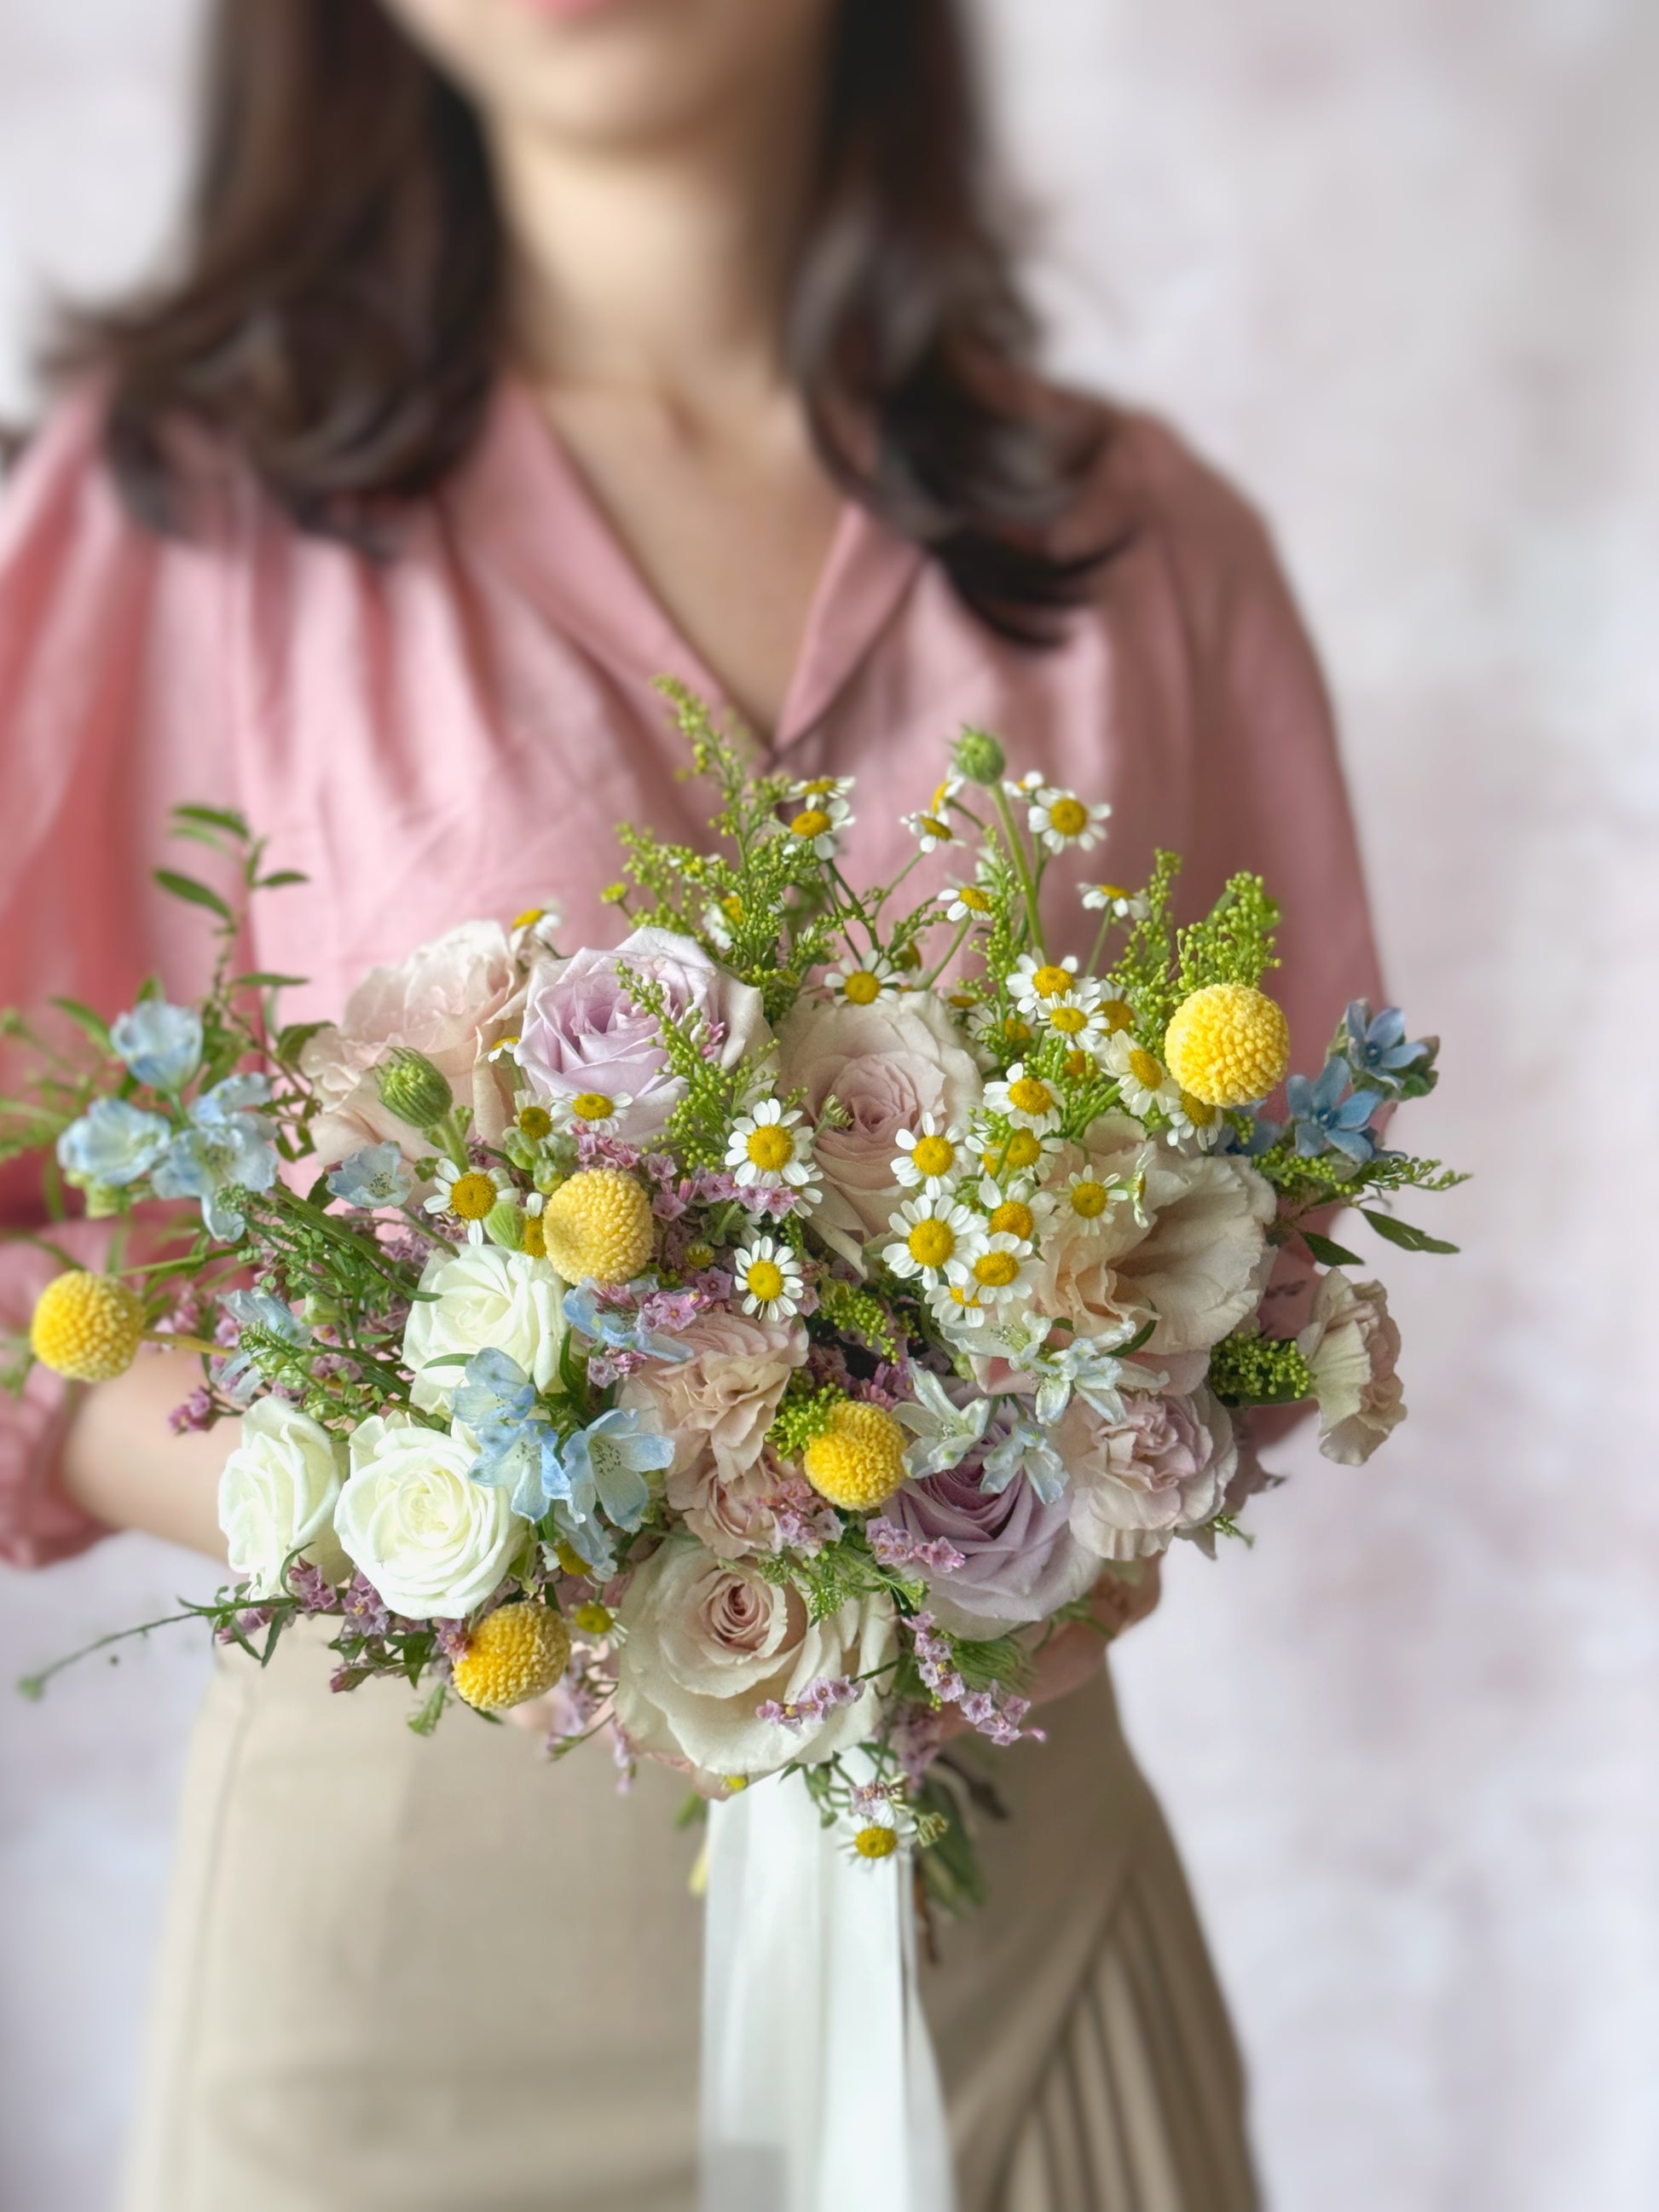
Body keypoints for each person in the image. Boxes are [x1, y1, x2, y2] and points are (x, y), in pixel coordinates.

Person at [0, 3, 1382, 2207]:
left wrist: (1078, 1446)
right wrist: (391, 1495)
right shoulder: (186, 515)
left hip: (994, 1925)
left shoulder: (1142, 545)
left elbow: (1283, 1272)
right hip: (396, 1990)